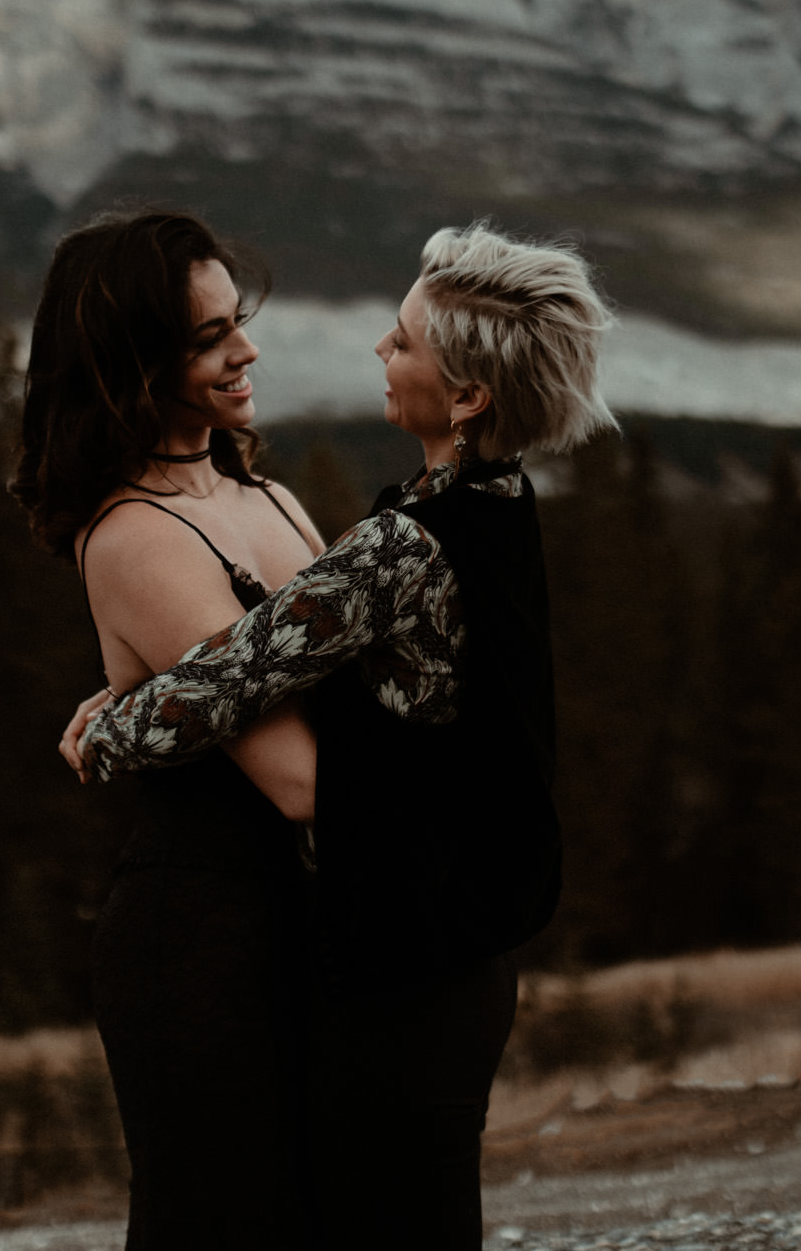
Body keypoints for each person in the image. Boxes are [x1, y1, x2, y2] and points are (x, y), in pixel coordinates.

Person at [62, 221, 618, 1250]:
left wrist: (112, 725)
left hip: (409, 945)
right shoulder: (501, 505)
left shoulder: (400, 541)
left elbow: (229, 682)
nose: (378, 351)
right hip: (407, 934)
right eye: (212, 333)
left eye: (402, 340)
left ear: (467, 397)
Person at [11, 210, 329, 1251]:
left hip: (309, 925)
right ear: (129, 362)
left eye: (237, 322)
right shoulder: (136, 533)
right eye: (205, 339)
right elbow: (301, 779)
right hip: (207, 946)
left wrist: (138, 710)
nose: (245, 352)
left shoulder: (268, 496)